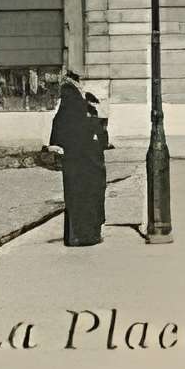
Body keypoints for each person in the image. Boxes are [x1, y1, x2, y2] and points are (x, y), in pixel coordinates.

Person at [50, 72, 111, 246]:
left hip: (79, 160)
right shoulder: (73, 98)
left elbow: (58, 128)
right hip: (83, 161)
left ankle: (79, 236)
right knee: (85, 196)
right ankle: (85, 236)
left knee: (80, 197)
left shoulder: (72, 101)